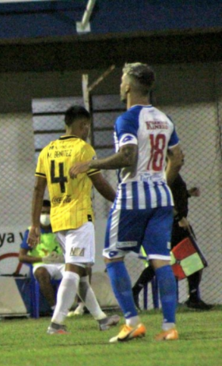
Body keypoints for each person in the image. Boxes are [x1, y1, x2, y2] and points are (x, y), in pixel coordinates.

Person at [70, 62, 184, 342]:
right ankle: (169, 328)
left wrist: (91, 164)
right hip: (161, 195)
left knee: (111, 256)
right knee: (160, 260)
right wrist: (161, 183)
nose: (120, 84)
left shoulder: (127, 119)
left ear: (129, 86)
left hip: (134, 192)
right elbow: (177, 157)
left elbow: (128, 156)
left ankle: (132, 323)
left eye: (122, 80)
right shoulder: (164, 118)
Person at [28, 105, 120, 335]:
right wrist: (120, 200)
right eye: (86, 125)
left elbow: (38, 190)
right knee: (73, 272)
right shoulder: (83, 149)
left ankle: (101, 318)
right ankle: (56, 323)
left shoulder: (47, 151)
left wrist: (35, 224)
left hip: (58, 219)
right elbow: (99, 183)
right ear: (81, 126)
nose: (87, 130)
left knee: (78, 275)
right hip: (79, 216)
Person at [132, 174, 212, 310]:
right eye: (179, 153)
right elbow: (162, 199)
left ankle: (193, 297)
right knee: (191, 258)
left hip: (175, 223)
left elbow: (173, 197)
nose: (182, 157)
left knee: (190, 258)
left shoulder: (174, 175)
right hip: (173, 224)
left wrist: (187, 194)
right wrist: (178, 217)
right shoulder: (167, 174)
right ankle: (193, 298)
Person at [19, 199, 65, 313]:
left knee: (77, 270)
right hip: (42, 264)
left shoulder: (61, 230)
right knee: (41, 272)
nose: (46, 216)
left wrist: (65, 257)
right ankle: (55, 308)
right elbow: (22, 257)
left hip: (61, 263)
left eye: (48, 213)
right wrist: (43, 259)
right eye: (43, 213)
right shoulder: (32, 232)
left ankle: (79, 306)